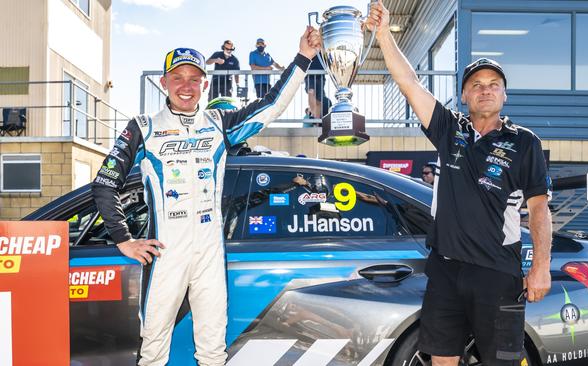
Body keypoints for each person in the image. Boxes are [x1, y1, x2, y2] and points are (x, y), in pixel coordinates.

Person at [91, 27, 320, 366]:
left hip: (210, 255)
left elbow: (271, 105)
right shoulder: (143, 127)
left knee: (213, 352)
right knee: (153, 351)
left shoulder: (219, 123)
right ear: (164, 83)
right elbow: (104, 184)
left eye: (194, 78)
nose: (186, 86)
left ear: (204, 84)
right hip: (167, 255)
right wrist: (124, 239)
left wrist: (302, 58)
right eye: (177, 77)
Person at [366, 2, 552, 365]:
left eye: (494, 85)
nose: (485, 90)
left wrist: (540, 266)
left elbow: (539, 208)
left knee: (501, 361)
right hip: (446, 271)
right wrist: (385, 34)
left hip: (497, 273)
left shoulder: (524, 142)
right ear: (464, 95)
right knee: (442, 360)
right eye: (476, 85)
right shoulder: (449, 130)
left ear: (504, 95)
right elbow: (409, 83)